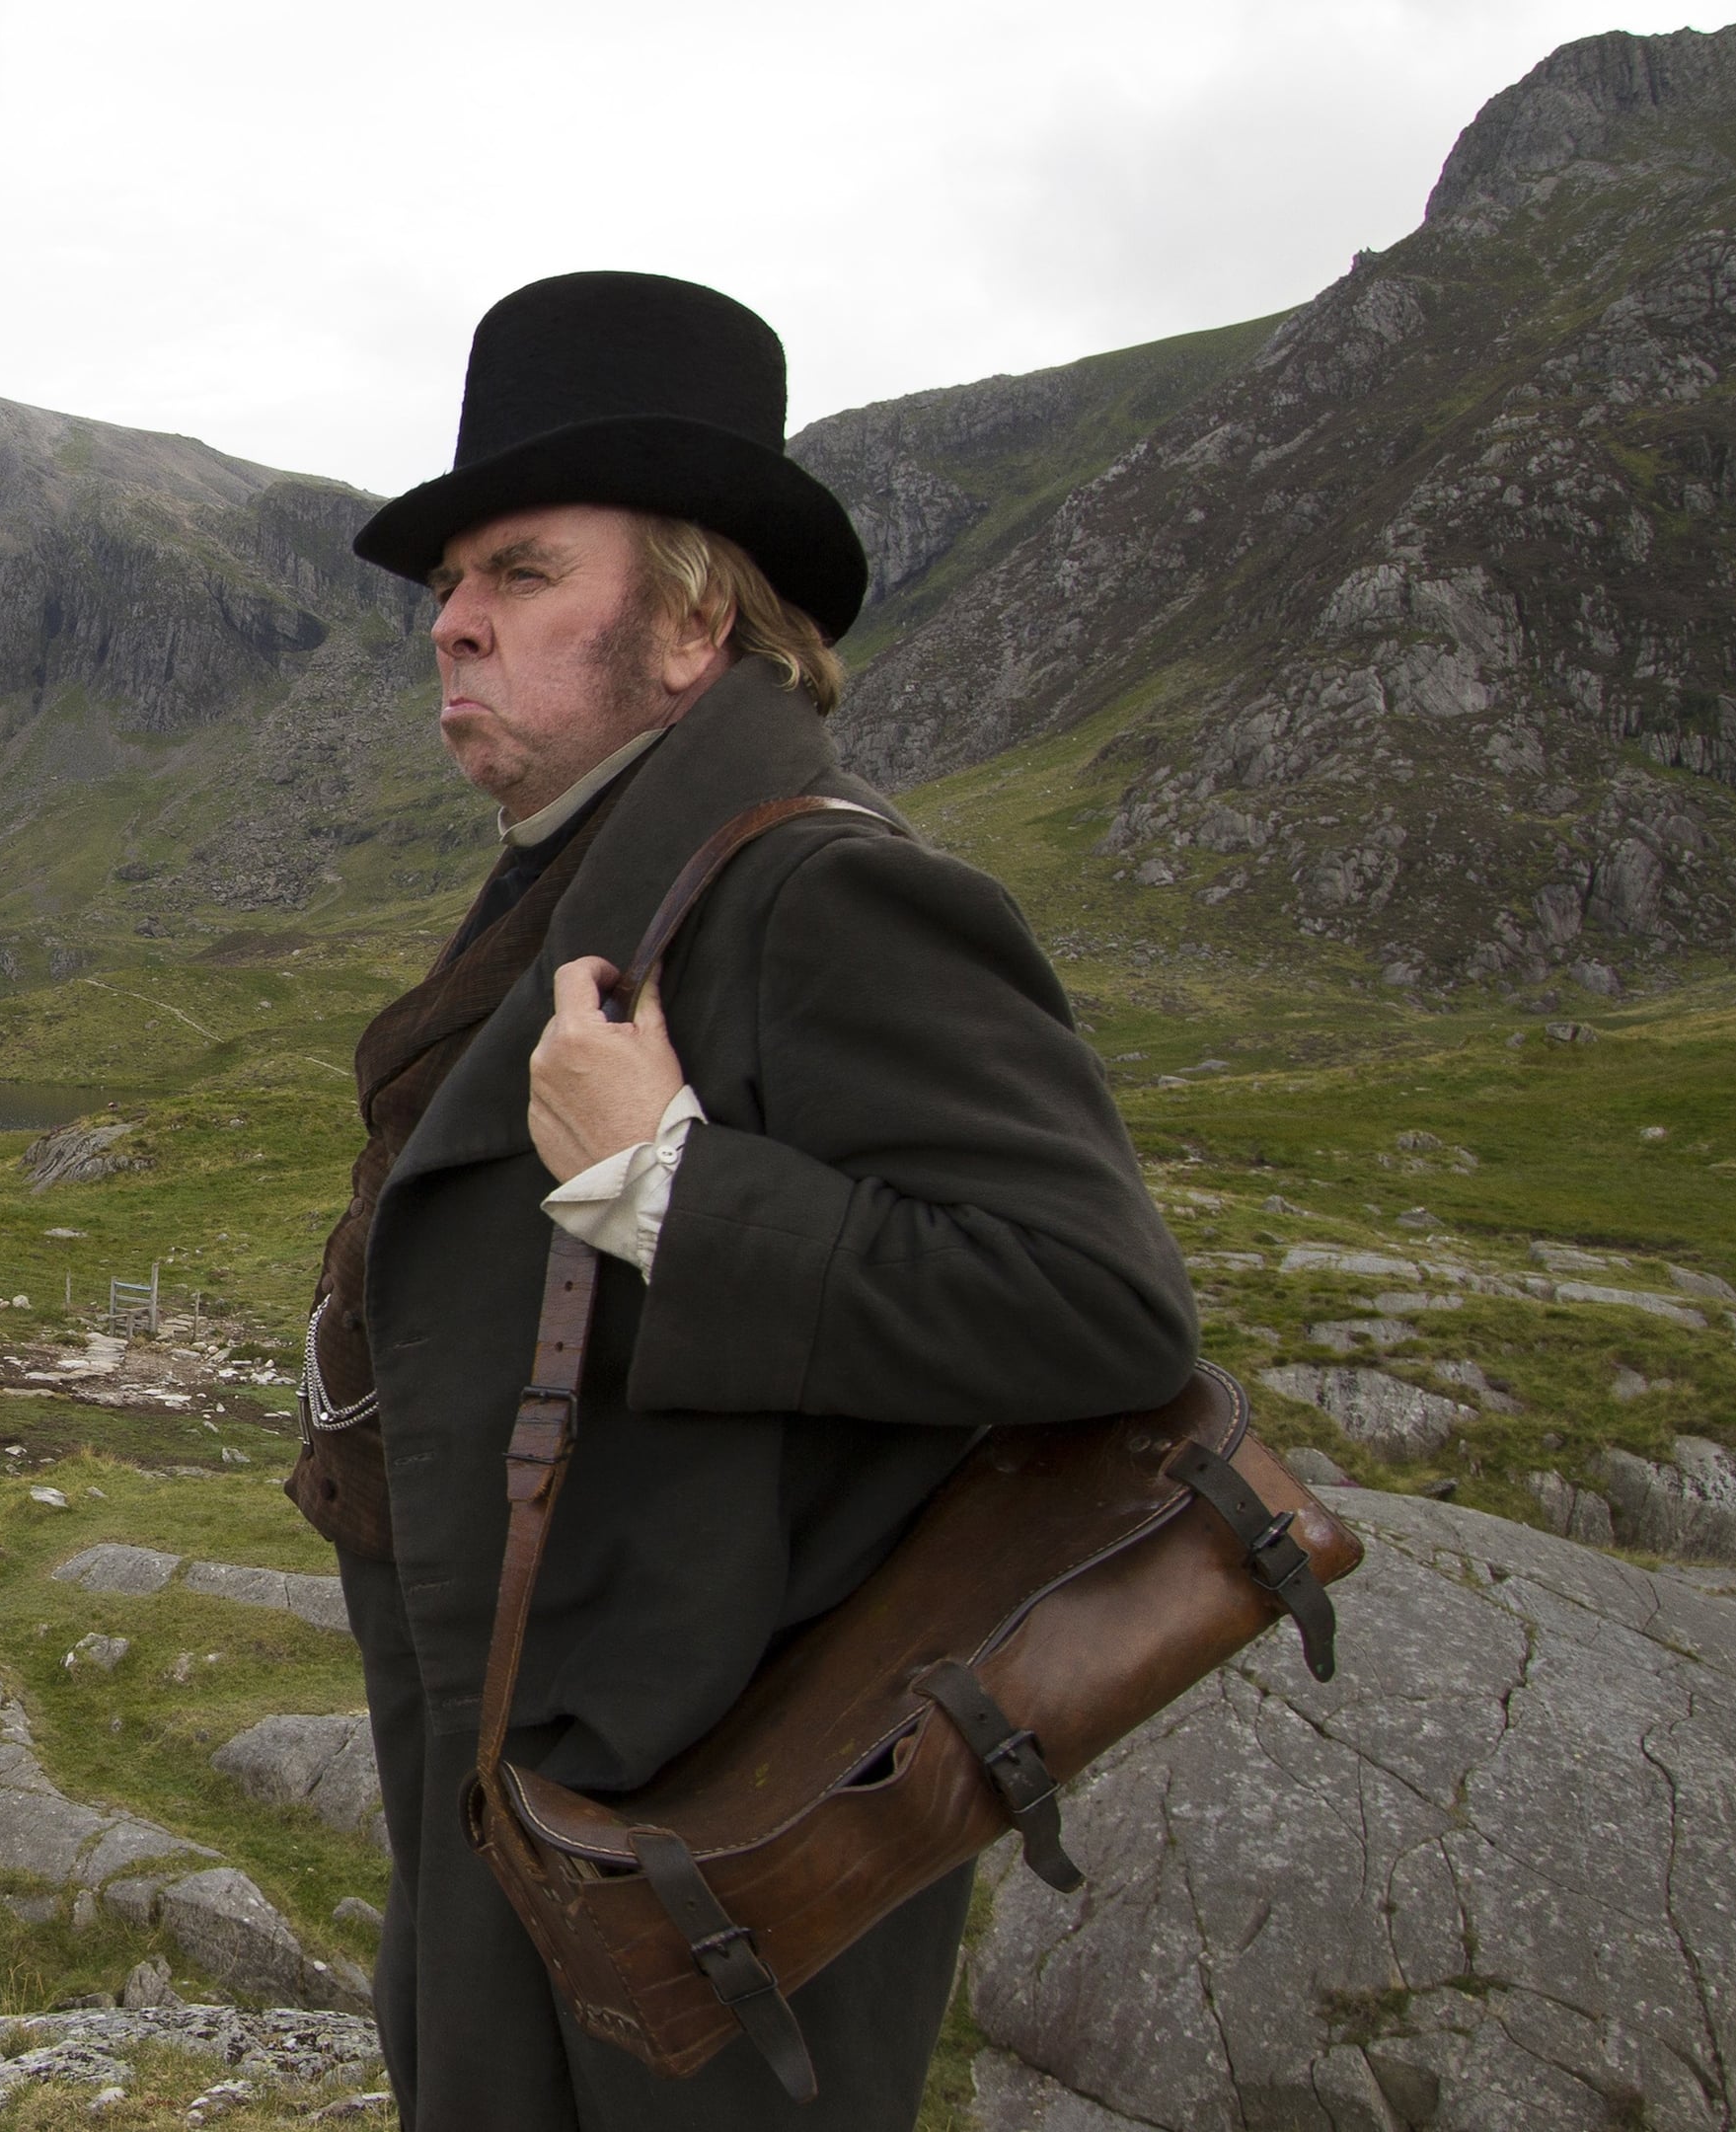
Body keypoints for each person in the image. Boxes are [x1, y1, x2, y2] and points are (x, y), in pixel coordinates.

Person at [285, 272, 1197, 2131]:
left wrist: (670, 1186)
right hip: (529, 1786)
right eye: (451, 582)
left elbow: (1094, 1305)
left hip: (713, 1836)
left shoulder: (820, 893)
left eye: (521, 570)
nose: (451, 623)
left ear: (698, 619)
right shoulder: (589, 875)